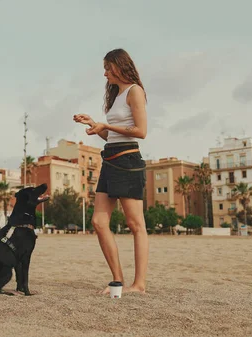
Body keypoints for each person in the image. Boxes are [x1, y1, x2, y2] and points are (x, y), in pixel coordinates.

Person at [73, 48, 148, 294]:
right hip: (110, 160)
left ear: (118, 66)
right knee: (98, 221)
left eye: (107, 68)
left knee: (135, 224)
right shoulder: (117, 95)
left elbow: (141, 131)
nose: (105, 74)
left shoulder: (135, 91)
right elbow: (111, 135)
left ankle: (139, 285)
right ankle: (118, 279)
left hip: (128, 161)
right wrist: (96, 125)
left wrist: (106, 124)